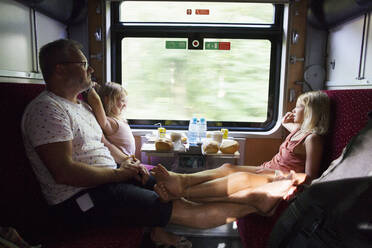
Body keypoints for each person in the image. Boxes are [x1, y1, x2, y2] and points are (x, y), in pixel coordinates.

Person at [21, 39, 302, 247]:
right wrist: (119, 174)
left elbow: (103, 145)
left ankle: (256, 199)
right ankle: (259, 205)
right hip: (78, 201)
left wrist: (129, 163)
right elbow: (64, 171)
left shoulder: (79, 106)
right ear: (59, 69)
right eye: (83, 64)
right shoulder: (47, 110)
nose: (90, 69)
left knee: (179, 193)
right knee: (183, 210)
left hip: (108, 181)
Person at [152, 91, 330, 202]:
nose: (293, 109)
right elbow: (289, 126)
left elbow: (310, 177)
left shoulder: (312, 139)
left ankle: (181, 193)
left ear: (309, 112)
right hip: (266, 168)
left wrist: (281, 178)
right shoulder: (298, 130)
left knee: (236, 180)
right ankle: (182, 179)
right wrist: (285, 122)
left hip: (278, 177)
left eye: (298, 107)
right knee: (227, 167)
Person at [86, 81, 178, 245]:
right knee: (162, 187)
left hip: (130, 162)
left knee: (165, 181)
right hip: (122, 166)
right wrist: (91, 92)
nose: (125, 104)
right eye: (121, 100)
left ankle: (158, 230)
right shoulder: (110, 122)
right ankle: (158, 232)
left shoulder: (118, 120)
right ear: (108, 101)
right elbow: (100, 113)